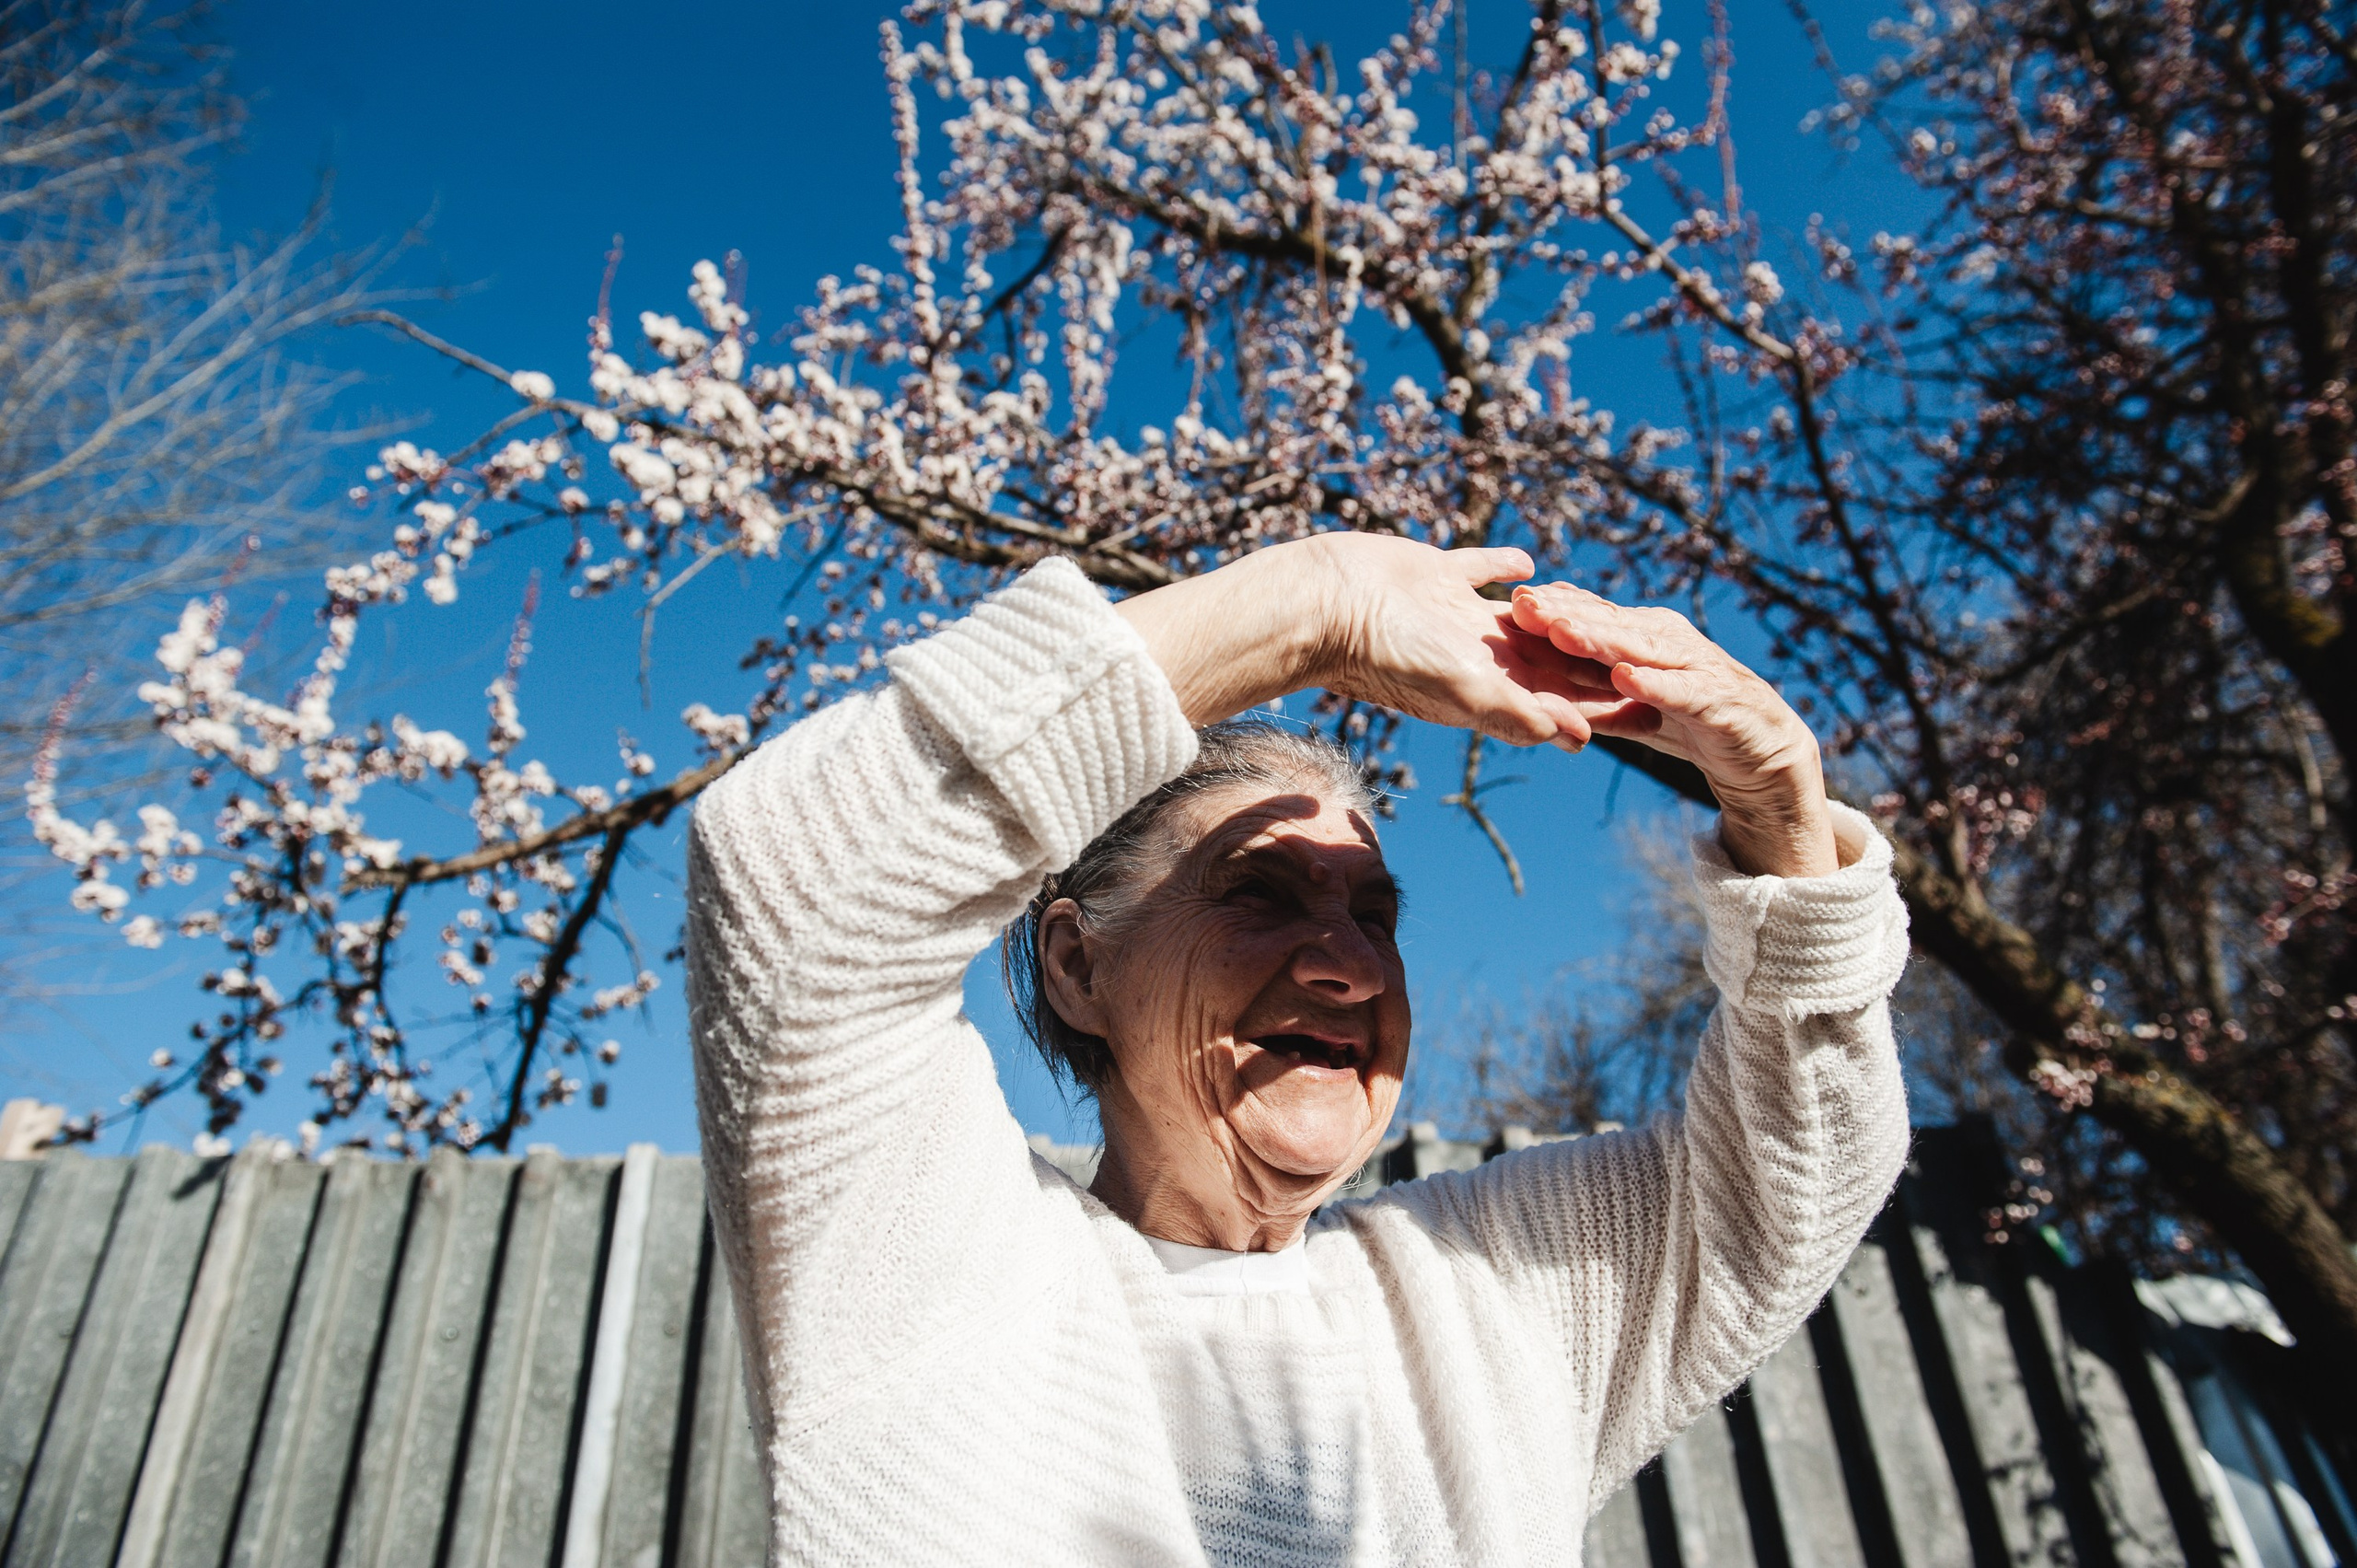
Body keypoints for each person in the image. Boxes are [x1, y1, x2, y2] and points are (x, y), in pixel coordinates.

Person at [684, 534, 1910, 1566]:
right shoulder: (939, 1265)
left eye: (1375, 916)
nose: (1350, 966)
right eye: (1259, 894)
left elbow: (1783, 1193)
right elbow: (789, 873)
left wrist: (1783, 814)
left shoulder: (1484, 1300)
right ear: (1079, 967)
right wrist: (1317, 606)